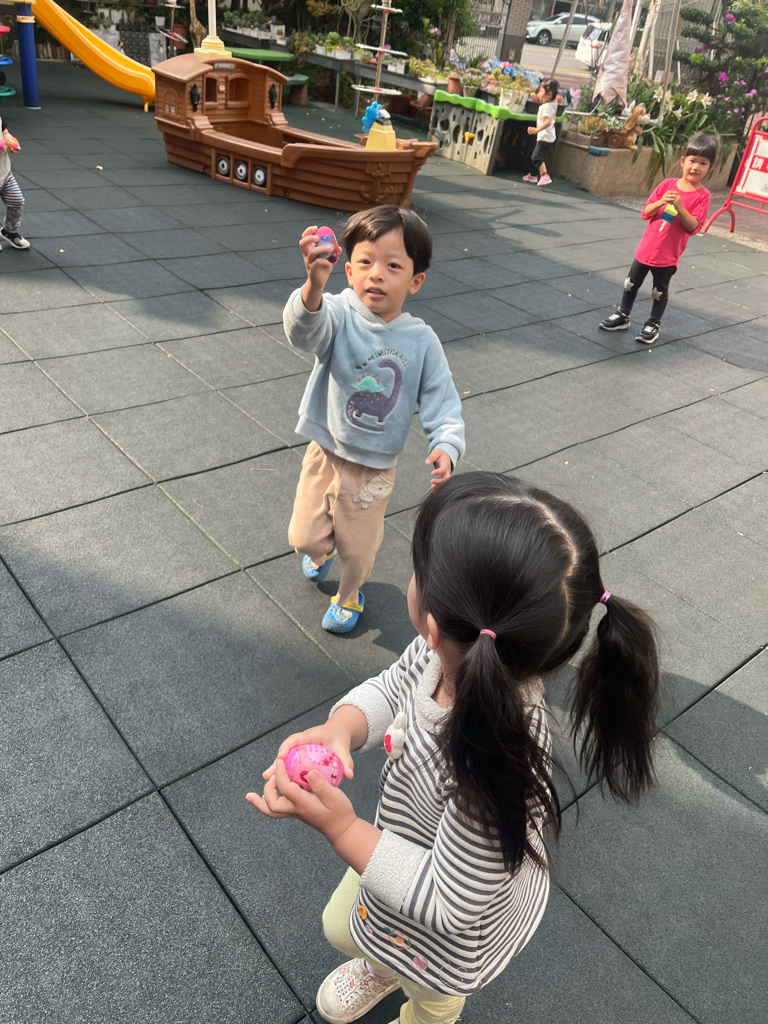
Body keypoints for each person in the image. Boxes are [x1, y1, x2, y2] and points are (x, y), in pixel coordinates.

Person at [248, 472, 660, 1024]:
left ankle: (418, 1009)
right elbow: (392, 687)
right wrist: (341, 728)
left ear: (435, 621)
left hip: (447, 936)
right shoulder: (440, 654)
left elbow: (447, 900)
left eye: (418, 570)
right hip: (403, 847)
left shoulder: (496, 765)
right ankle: (382, 965)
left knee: (432, 998)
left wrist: (342, 829)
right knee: (347, 926)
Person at [283, 205, 466, 635]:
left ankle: (349, 595)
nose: (376, 274)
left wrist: (446, 443)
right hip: (326, 450)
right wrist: (313, 285)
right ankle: (321, 549)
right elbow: (303, 332)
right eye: (365, 262)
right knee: (303, 538)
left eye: (393, 265)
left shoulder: (421, 341)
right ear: (348, 270)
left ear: (415, 281)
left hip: (374, 469)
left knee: (357, 548)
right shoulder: (337, 312)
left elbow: (441, 396)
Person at [599, 133, 717, 345]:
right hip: (646, 249)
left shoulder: (703, 196)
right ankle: (623, 314)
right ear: (683, 161)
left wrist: (680, 206)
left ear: (710, 167)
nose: (696, 167)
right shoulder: (667, 184)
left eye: (703, 163)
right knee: (630, 283)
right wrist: (662, 201)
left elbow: (693, 227)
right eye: (692, 161)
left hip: (668, 256)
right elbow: (646, 212)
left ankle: (653, 323)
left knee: (659, 291)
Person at [0, 115, 30, 251]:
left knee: (17, 201)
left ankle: (9, 231)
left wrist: (10, 140)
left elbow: (5, 132)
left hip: (4, 174)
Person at [522, 78, 559, 187]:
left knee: (536, 157)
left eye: (541, 91)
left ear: (549, 94)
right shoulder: (553, 103)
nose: (539, 93)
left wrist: (535, 130)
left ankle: (544, 175)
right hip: (548, 136)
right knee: (537, 155)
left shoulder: (546, 107)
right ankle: (533, 175)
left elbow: (547, 122)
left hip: (545, 137)